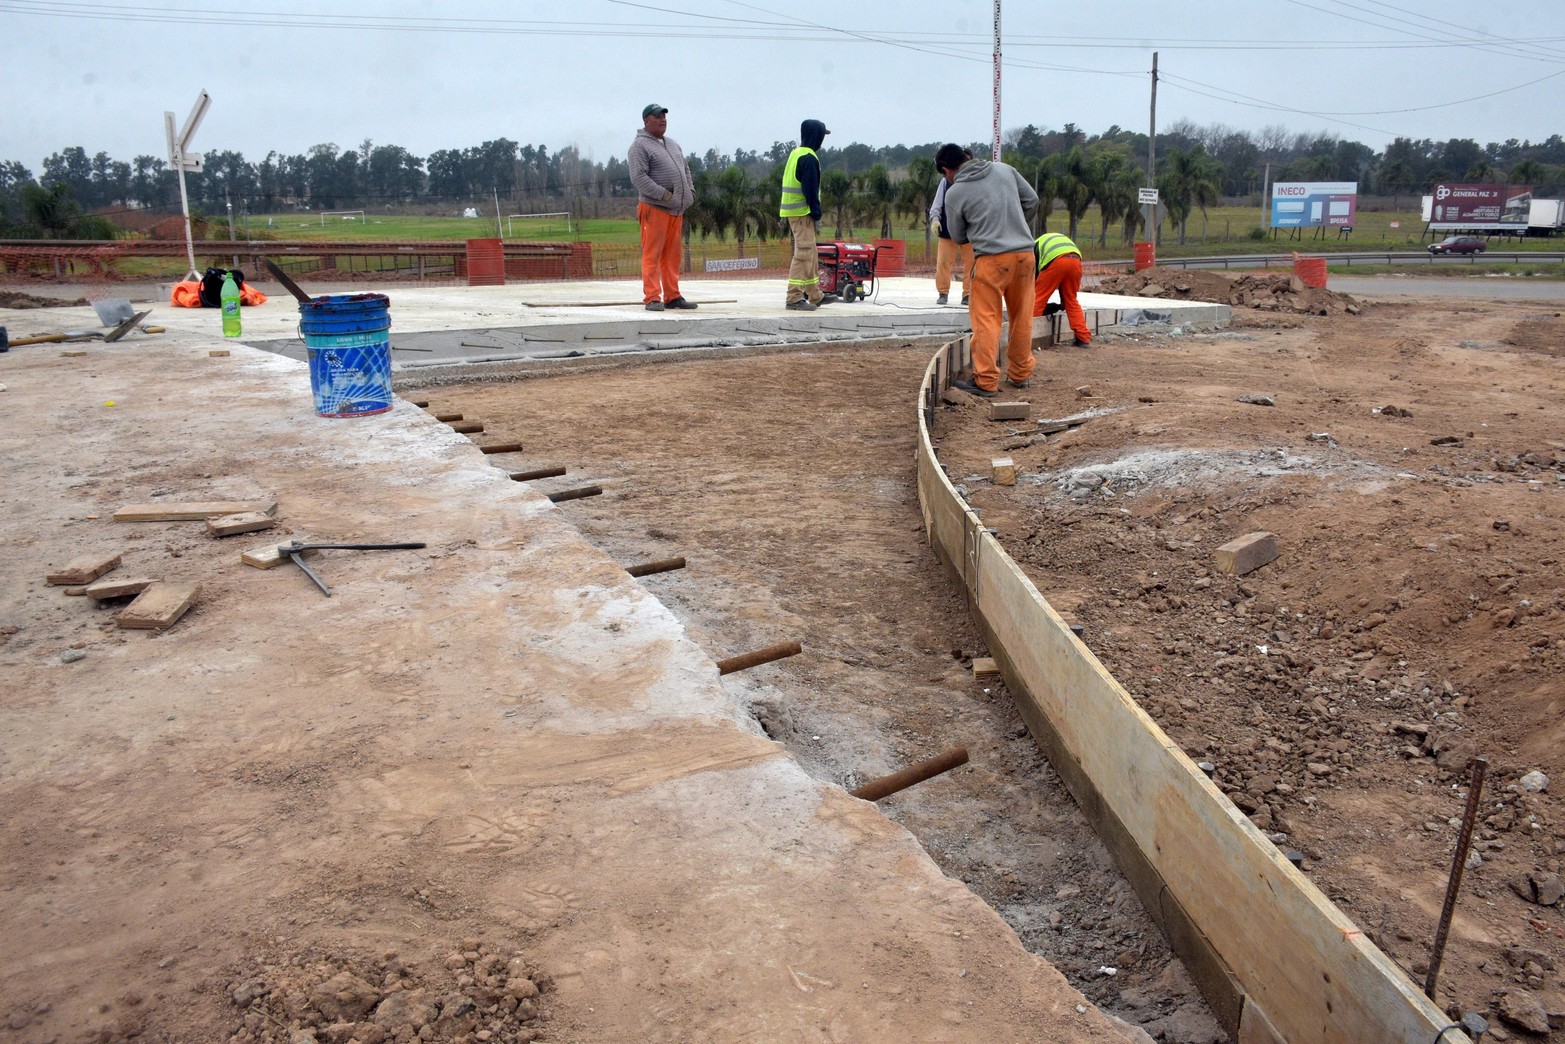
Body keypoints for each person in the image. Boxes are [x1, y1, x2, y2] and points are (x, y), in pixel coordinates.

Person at [937, 143, 1039, 396]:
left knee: (986, 321)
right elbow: (1032, 200)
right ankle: (1020, 374)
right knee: (1022, 317)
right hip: (1025, 255)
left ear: (947, 170)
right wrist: (1013, 226)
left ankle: (985, 380)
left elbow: (958, 236)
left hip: (991, 261)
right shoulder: (1005, 170)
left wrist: (985, 231)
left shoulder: (955, 192)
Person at [628, 103, 696, 311]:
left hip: (676, 209)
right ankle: (652, 298)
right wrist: (663, 195)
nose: (662, 120)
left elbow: (685, 169)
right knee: (652, 254)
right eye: (657, 116)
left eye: (664, 116)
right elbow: (638, 177)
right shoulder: (639, 146)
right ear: (646, 121)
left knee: (672, 256)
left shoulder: (673, 144)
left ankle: (672, 296)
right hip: (654, 207)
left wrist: (690, 192)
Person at [779, 119, 830, 311]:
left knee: (811, 253)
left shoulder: (796, 153)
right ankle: (794, 297)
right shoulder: (809, 158)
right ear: (816, 136)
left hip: (795, 211)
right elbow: (810, 190)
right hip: (802, 213)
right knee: (803, 254)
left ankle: (815, 294)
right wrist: (816, 213)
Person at [929, 150, 974, 306]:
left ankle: (968, 294)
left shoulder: (974, 182)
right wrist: (935, 220)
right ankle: (943, 293)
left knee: (971, 263)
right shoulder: (945, 182)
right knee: (943, 263)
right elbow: (937, 205)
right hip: (948, 231)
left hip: (969, 231)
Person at [1032, 231, 1091, 347]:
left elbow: (1034, 275)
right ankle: (1083, 338)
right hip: (1075, 260)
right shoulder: (1047, 241)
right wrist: (1062, 303)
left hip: (1056, 261)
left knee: (1038, 299)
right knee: (1071, 300)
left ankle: (1029, 337)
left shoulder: (1034, 246)